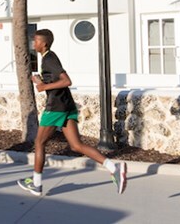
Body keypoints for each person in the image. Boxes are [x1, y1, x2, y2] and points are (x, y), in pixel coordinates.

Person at [17, 29, 127, 196]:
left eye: (37, 40)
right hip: (66, 106)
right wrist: (41, 81)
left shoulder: (49, 59)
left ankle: (37, 184)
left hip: (56, 107)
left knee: (39, 143)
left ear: (44, 43)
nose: (34, 43)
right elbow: (56, 81)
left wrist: (43, 86)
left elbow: (67, 81)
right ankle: (114, 168)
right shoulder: (48, 59)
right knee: (76, 145)